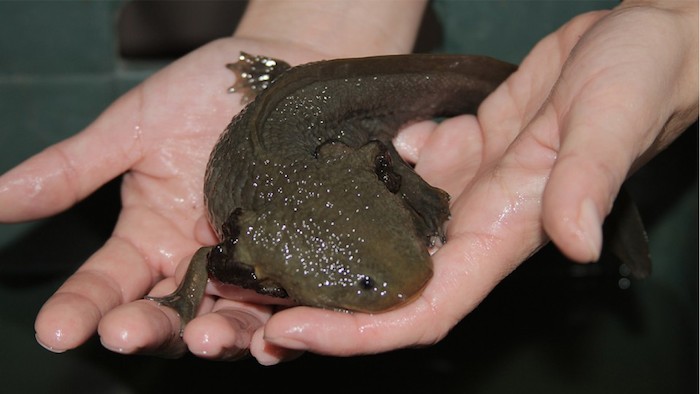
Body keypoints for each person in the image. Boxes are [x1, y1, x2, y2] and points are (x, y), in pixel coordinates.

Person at [0, 0, 695, 365]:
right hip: (300, 109)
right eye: (365, 286)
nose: (406, 278)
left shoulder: (353, 170)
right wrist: (185, 302)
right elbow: (205, 259)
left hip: (313, 111)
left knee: (364, 150)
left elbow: (363, 162)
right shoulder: (254, 264)